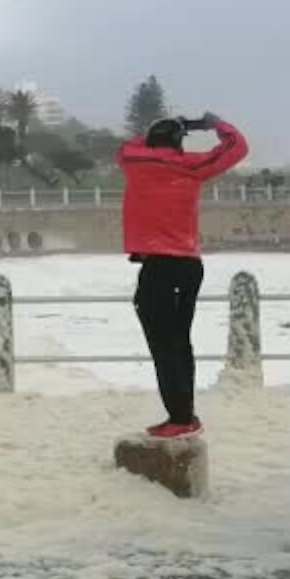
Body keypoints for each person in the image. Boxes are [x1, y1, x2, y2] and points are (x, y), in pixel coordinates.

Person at [118, 112, 250, 439]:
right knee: (177, 343)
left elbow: (130, 145)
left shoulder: (134, 161)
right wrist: (214, 125)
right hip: (184, 266)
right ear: (177, 144)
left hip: (161, 266)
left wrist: (172, 126)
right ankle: (182, 415)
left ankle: (180, 417)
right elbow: (237, 147)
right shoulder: (190, 166)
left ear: (150, 140)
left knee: (166, 345)